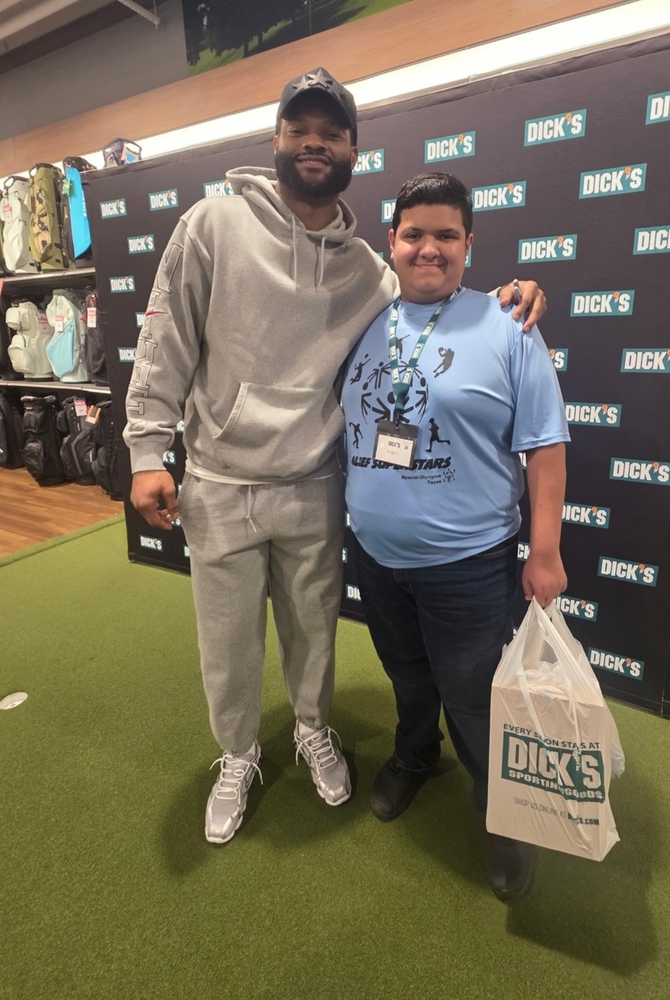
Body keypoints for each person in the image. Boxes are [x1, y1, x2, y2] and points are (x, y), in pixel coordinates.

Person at [123, 68, 547, 845]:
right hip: (218, 481)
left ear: (353, 151)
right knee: (226, 644)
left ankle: (312, 729)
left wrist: (505, 299)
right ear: (276, 141)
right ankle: (237, 755)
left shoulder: (368, 272)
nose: (314, 142)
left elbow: (434, 300)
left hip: (315, 486)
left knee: (314, 633)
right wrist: (148, 447)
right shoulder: (211, 224)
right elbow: (164, 338)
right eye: (300, 129)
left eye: (331, 133)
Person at [340, 172, 569, 901]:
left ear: (469, 243)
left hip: (467, 564)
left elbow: (546, 444)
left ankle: (503, 813)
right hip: (376, 556)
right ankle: (415, 755)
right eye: (414, 234)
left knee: (473, 697)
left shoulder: (508, 323)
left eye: (445, 235)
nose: (428, 248)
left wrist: (545, 551)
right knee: (408, 678)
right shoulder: (364, 319)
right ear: (392, 242)